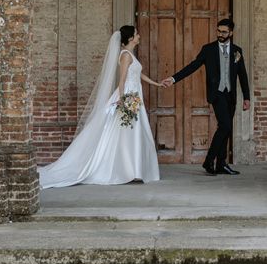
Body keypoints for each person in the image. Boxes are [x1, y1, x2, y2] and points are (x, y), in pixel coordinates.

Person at [38, 26, 161, 188]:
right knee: (125, 131)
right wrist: (123, 99)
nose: (139, 36)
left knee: (134, 131)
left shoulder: (130, 55)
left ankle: (134, 170)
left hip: (135, 96)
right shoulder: (125, 56)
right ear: (131, 38)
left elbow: (138, 74)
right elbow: (122, 80)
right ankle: (126, 169)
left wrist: (156, 83)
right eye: (137, 33)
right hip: (128, 96)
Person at [162, 18, 250, 176]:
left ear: (231, 32)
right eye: (218, 31)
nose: (220, 34)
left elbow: (242, 76)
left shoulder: (237, 51)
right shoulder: (208, 49)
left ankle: (221, 164)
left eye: (224, 32)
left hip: (231, 95)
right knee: (225, 126)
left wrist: (247, 97)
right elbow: (193, 66)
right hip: (217, 94)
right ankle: (209, 161)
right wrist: (174, 79)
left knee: (225, 129)